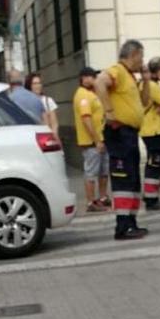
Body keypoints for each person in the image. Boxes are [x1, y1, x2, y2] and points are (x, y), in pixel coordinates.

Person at [94, 40, 150, 240]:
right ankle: (122, 227)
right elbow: (99, 82)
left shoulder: (130, 77)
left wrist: (146, 80)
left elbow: (145, 101)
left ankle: (131, 222)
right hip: (120, 133)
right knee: (123, 178)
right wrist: (109, 111)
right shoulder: (117, 70)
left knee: (133, 178)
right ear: (133, 54)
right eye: (141, 56)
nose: (142, 61)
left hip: (130, 133)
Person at [73, 67, 110, 213]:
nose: (94, 79)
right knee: (91, 173)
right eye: (91, 77)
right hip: (91, 142)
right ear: (83, 78)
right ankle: (91, 202)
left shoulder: (92, 93)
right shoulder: (82, 95)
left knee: (103, 171)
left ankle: (103, 197)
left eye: (94, 77)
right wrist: (96, 140)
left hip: (101, 138)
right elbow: (86, 119)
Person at [140, 57, 160, 211]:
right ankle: (151, 198)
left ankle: (151, 193)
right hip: (153, 129)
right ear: (159, 71)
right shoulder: (153, 85)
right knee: (156, 163)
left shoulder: (147, 84)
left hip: (151, 129)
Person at [26, 72, 61, 147]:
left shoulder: (48, 101)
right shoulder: (26, 102)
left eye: (39, 83)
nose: (38, 86)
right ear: (29, 86)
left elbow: (54, 123)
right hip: (31, 140)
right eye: (34, 83)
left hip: (47, 140)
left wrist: (53, 137)